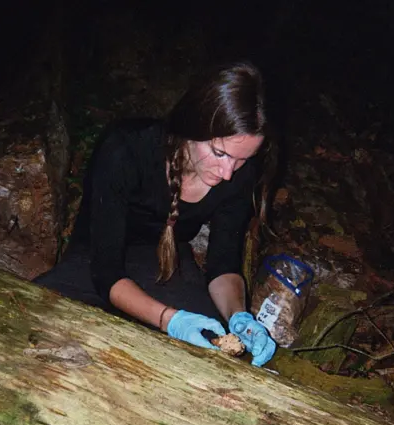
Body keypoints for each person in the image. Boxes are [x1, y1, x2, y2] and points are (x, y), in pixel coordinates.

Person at [35, 61, 276, 366]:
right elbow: (105, 271)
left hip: (163, 262)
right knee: (35, 321)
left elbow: (223, 264)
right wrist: (168, 320)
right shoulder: (124, 149)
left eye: (242, 159)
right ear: (192, 128)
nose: (228, 172)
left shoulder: (240, 173)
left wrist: (238, 314)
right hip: (95, 262)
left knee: (212, 353)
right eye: (220, 153)